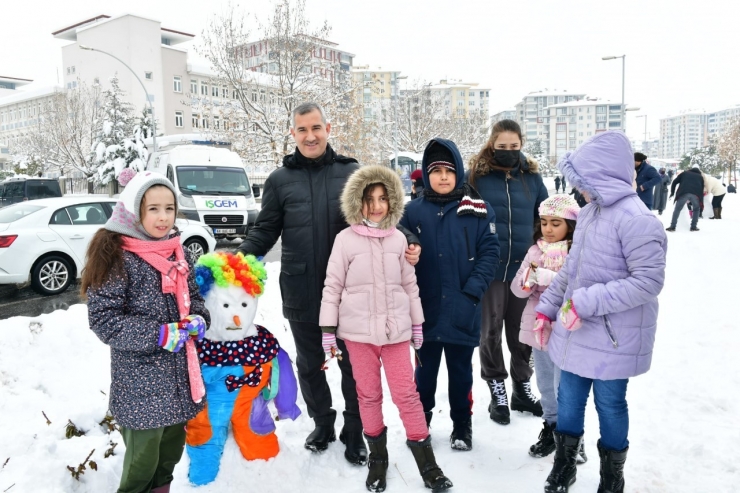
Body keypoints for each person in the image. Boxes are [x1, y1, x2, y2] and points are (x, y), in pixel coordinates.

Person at [236, 102, 420, 465]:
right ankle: (323, 423)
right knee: (310, 362)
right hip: (301, 289)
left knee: (355, 366)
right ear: (293, 133)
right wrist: (235, 261)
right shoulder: (278, 181)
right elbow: (265, 230)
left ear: (328, 128)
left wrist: (409, 238)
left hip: (352, 292)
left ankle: (355, 430)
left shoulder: (351, 172)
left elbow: (379, 217)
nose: (310, 135)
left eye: (316, 128)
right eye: (302, 129)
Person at [535, 131, 667, 493]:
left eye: (585, 183)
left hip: (613, 336)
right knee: (569, 399)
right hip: (577, 331)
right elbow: (569, 272)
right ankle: (565, 465)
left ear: (605, 176)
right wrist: (546, 309)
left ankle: (612, 476)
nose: (581, 191)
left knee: (610, 405)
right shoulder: (591, 214)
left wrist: (587, 302)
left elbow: (648, 282)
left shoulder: (638, 220)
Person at [320, 165, 452, 493]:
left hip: (396, 335)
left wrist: (417, 324)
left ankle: (428, 463)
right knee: (368, 395)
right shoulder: (345, 240)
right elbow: (332, 285)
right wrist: (328, 328)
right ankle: (377, 458)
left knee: (407, 394)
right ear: (357, 202)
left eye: (383, 198)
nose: (376, 206)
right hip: (358, 336)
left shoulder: (399, 241)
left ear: (392, 201)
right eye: (369, 199)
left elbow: (410, 286)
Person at [83, 171, 210, 493]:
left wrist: (198, 318)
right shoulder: (117, 256)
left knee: (169, 457)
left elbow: (194, 298)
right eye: (153, 208)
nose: (163, 217)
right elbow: (105, 320)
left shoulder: (178, 251)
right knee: (142, 465)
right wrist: (159, 335)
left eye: (169, 208)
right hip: (140, 386)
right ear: (135, 210)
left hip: (178, 381)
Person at [400, 138, 500, 452]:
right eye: (435, 171)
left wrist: (472, 291)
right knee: (424, 374)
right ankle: (421, 422)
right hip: (425, 310)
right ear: (425, 175)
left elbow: (490, 253)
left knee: (460, 375)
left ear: (459, 172)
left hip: (463, 308)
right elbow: (396, 236)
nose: (443, 176)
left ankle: (462, 425)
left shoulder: (478, 210)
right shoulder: (412, 211)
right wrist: (408, 242)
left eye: (448, 170)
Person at [467, 119, 548, 425]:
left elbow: (545, 216)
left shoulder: (532, 178)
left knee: (523, 331)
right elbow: (466, 219)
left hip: (525, 269)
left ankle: (521, 388)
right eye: (502, 147)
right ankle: (497, 389)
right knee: (489, 331)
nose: (509, 152)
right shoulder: (476, 176)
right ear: (492, 145)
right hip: (489, 268)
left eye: (514, 147)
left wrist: (545, 252)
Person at [510, 195, 586, 465]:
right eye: (544, 222)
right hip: (538, 328)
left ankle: (573, 436)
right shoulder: (535, 251)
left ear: (571, 226)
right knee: (545, 384)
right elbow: (517, 290)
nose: (548, 229)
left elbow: (578, 289)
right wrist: (528, 279)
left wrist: (550, 278)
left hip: (566, 329)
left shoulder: (578, 253)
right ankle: (551, 428)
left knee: (563, 385)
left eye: (556, 223)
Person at [666, 167, 704, 232]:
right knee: (696, 209)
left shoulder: (685, 173)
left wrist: (672, 192)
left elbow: (674, 182)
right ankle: (693, 227)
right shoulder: (700, 177)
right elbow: (701, 188)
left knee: (677, 209)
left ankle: (672, 226)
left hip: (684, 193)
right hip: (695, 195)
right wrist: (700, 200)